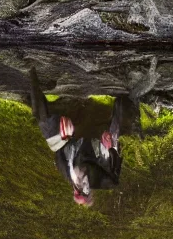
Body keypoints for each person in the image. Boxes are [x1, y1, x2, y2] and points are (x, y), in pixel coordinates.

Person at [29, 67, 125, 206]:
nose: (82, 183)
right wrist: (111, 148)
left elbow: (57, 150)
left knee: (44, 123)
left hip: (74, 136)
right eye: (85, 189)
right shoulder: (104, 178)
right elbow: (114, 169)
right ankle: (123, 89)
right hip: (97, 137)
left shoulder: (66, 171)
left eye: (79, 188)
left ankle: (32, 74)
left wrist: (63, 135)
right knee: (116, 130)